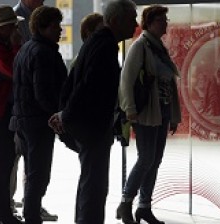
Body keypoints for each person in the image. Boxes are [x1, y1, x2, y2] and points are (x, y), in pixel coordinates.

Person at [48, 0, 138, 223]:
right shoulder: (105, 45)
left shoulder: (96, 42)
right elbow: (86, 86)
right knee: (95, 185)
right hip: (93, 127)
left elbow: (72, 83)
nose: (135, 24)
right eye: (131, 18)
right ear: (116, 20)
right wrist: (66, 115)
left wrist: (64, 113)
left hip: (89, 125)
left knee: (91, 182)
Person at [117, 5, 181, 224]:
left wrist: (173, 115)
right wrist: (130, 109)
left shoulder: (158, 48)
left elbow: (169, 84)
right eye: (162, 20)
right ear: (151, 23)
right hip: (145, 112)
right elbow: (126, 80)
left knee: (155, 160)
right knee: (146, 158)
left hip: (161, 110)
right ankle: (126, 202)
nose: (166, 23)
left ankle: (144, 207)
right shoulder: (140, 46)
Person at [11, 5, 67, 224]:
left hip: (23, 120)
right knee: (39, 174)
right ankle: (32, 216)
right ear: (43, 27)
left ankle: (31, 213)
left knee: (32, 172)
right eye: (56, 26)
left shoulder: (25, 49)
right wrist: (58, 115)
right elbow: (43, 92)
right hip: (37, 123)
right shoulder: (43, 53)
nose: (60, 30)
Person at [0, 5, 24, 224]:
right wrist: (17, 45)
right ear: (3, 28)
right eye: (13, 26)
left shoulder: (0, 44)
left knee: (4, 162)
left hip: (5, 110)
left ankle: (3, 213)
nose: (16, 29)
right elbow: (14, 71)